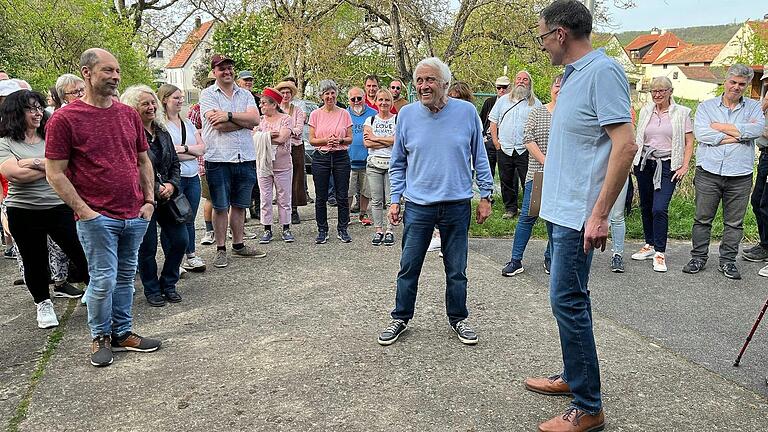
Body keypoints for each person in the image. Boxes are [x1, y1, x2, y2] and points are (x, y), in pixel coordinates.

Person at [528, 2, 637, 430]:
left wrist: (600, 214)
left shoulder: (602, 72)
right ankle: (575, 378)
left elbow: (625, 144)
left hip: (580, 217)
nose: (541, 46)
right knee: (569, 301)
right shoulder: (572, 79)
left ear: (560, 34)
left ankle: (588, 406)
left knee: (568, 302)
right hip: (562, 214)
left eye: (541, 36)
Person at [46, 48, 161, 367]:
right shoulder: (65, 118)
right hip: (97, 218)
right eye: (107, 71)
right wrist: (84, 211)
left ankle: (122, 333)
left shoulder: (127, 114)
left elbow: (142, 160)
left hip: (135, 214)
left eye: (117, 71)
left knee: (125, 278)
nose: (115, 77)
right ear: (86, 73)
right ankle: (100, 337)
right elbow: (54, 172)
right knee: (103, 279)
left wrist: (149, 200)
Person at [377, 57, 494, 347]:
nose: (423, 86)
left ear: (445, 84)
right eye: (419, 80)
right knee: (408, 266)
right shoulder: (405, 115)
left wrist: (486, 195)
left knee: (457, 269)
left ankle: (459, 319)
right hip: (418, 205)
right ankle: (400, 317)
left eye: (430, 80)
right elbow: (398, 161)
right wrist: (395, 199)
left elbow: (480, 156)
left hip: (457, 204)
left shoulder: (466, 112)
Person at [0, 90, 89, 328]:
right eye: (31, 108)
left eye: (39, 107)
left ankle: (94, 289)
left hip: (59, 205)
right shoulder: (4, 143)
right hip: (23, 210)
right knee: (34, 260)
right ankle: (43, 304)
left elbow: (69, 166)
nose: (38, 112)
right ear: (16, 113)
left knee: (80, 250)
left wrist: (34, 162)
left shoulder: (50, 136)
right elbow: (15, 175)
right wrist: (51, 167)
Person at [684, 64, 765, 280]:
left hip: (740, 174)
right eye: (733, 82)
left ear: (747, 86)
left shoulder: (754, 108)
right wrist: (740, 134)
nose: (736, 87)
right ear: (726, 81)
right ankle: (698, 257)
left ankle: (728, 261)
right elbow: (702, 134)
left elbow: (756, 131)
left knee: (734, 222)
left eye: (741, 84)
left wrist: (718, 126)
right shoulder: (706, 107)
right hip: (708, 172)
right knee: (702, 218)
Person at [122, 85, 187, 307]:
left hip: (168, 198)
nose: (151, 107)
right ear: (133, 108)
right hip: (142, 199)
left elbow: (175, 164)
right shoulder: (129, 134)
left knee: (181, 241)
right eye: (145, 104)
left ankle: (169, 283)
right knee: (147, 248)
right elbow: (133, 166)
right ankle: (151, 289)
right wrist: (156, 187)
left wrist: (171, 185)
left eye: (153, 103)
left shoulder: (162, 131)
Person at [200, 54, 265, 268]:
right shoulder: (207, 95)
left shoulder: (245, 94)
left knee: (239, 204)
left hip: (244, 157)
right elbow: (217, 126)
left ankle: (238, 245)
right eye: (222, 69)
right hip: (218, 158)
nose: (227, 72)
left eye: (229, 68)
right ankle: (220, 249)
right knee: (220, 206)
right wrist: (242, 121)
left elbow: (255, 120)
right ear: (214, 72)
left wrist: (227, 115)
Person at [630, 76, 694, 273]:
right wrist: (634, 160)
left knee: (659, 208)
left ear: (670, 92)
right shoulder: (646, 111)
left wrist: (684, 167)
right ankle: (649, 244)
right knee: (646, 205)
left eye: (661, 91)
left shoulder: (682, 113)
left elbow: (689, 142)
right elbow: (640, 137)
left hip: (667, 165)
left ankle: (660, 252)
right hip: (645, 162)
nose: (657, 95)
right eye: (654, 91)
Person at [501, 74, 561, 277]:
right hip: (538, 176)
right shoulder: (537, 111)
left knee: (554, 221)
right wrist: (546, 162)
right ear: (552, 88)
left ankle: (550, 258)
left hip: (562, 179)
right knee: (527, 217)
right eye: (557, 86)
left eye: (565, 87)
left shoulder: (572, 116)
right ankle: (516, 260)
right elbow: (528, 139)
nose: (560, 90)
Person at [157, 84, 207, 273]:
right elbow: (166, 154)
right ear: (165, 100)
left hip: (192, 176)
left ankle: (190, 255)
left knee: (189, 218)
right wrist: (191, 152)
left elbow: (202, 149)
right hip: (173, 179)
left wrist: (184, 149)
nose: (180, 101)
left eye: (181, 97)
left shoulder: (188, 123)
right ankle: (173, 261)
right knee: (171, 220)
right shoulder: (161, 126)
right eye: (176, 98)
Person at [489, 70, 541, 219]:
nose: (521, 82)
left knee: (527, 180)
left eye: (525, 80)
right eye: (518, 79)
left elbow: (538, 125)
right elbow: (493, 121)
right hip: (504, 147)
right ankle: (510, 209)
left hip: (524, 149)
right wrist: (495, 141)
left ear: (529, 84)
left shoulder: (535, 103)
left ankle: (528, 211)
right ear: (514, 81)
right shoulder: (503, 100)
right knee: (506, 180)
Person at [308, 80, 353, 244]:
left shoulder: (344, 113)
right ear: (321, 96)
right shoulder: (315, 114)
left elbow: (350, 138)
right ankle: (322, 229)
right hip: (321, 157)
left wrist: (340, 140)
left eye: (332, 93)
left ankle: (343, 228)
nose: (330, 96)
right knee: (321, 196)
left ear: (336, 94)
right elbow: (312, 139)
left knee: (342, 195)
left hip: (341, 156)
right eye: (326, 93)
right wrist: (326, 140)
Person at [255, 87, 294, 243]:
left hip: (283, 165)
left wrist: (262, 136)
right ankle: (267, 228)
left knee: (284, 197)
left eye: (264, 103)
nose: (261, 106)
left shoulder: (285, 119)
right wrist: (267, 135)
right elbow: (252, 138)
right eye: (261, 103)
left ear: (274, 104)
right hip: (264, 165)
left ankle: (286, 227)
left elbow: (282, 138)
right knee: (265, 197)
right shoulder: (259, 120)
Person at [363, 88, 397, 246]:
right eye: (381, 100)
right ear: (376, 102)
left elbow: (398, 141)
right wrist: (388, 140)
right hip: (374, 164)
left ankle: (390, 229)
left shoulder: (397, 120)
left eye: (387, 100)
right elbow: (367, 143)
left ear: (391, 102)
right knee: (376, 200)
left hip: (393, 165)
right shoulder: (370, 120)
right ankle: (378, 230)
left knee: (391, 200)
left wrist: (376, 137)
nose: (384, 103)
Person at [276, 80, 307, 226]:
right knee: (280, 179)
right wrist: (287, 131)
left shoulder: (298, 111)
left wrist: (285, 132)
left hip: (295, 148)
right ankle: (282, 209)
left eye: (288, 92)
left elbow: (298, 130)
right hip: (279, 149)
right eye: (282, 93)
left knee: (296, 177)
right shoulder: (275, 111)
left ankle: (294, 209)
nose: (285, 95)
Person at [190, 72, 216, 246]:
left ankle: (230, 229)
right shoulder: (197, 110)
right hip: (205, 161)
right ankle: (209, 231)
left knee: (226, 199)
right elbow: (190, 134)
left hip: (225, 159)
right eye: (211, 84)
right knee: (210, 198)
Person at [746, 84, 768, 275]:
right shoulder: (764, 106)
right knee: (758, 202)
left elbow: (755, 128)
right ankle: (765, 245)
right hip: (765, 155)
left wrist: (751, 129)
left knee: (766, 204)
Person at [347, 87, 377, 226]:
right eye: (353, 99)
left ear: (364, 98)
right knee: (348, 190)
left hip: (367, 160)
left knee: (366, 190)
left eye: (359, 98)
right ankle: (345, 216)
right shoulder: (344, 114)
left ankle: (363, 214)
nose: (357, 101)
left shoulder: (373, 114)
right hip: (348, 160)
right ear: (349, 100)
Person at [480, 76, 511, 179]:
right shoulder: (490, 102)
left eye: (504, 87)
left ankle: (510, 195)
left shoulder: (514, 102)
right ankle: (488, 193)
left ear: (509, 87)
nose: (501, 90)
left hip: (507, 142)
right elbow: (482, 120)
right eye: (499, 87)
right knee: (488, 171)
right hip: (489, 140)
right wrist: (483, 136)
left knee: (508, 175)